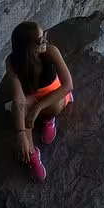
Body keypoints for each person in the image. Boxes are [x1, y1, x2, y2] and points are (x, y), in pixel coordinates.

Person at [6, 21, 74, 182]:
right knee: (18, 110)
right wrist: (21, 134)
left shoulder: (50, 52)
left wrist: (38, 108)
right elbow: (19, 97)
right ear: (28, 46)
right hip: (33, 97)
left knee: (54, 106)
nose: (45, 41)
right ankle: (31, 153)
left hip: (55, 94)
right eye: (40, 40)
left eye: (44, 36)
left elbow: (68, 85)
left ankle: (49, 119)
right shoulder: (13, 62)